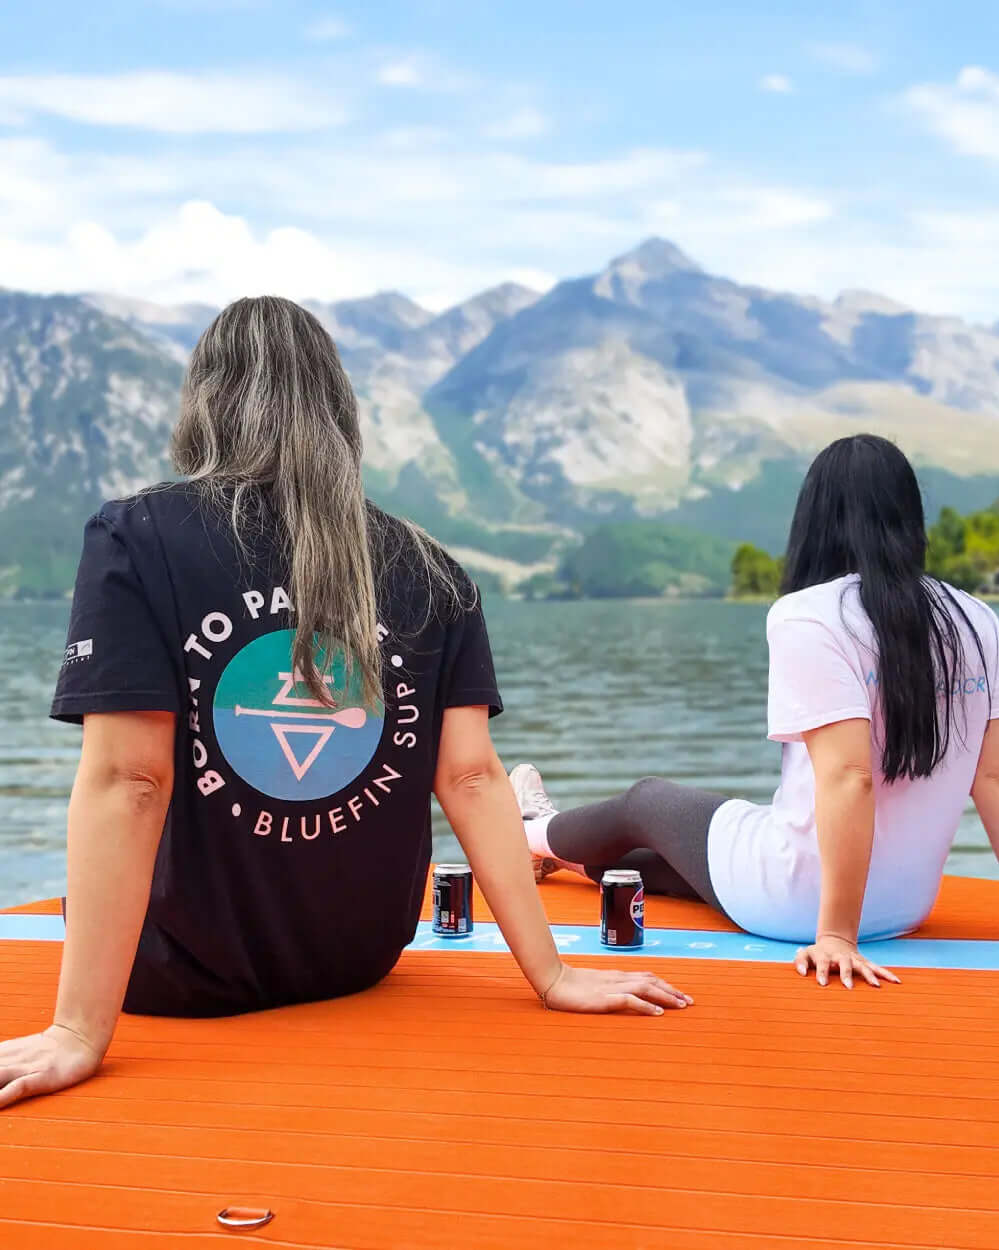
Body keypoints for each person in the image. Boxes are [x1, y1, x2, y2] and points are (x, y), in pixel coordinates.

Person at [0, 297, 689, 1111]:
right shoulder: (432, 567)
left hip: (181, 972)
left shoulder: (137, 537)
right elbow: (471, 779)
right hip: (358, 956)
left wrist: (80, 1031)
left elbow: (131, 782)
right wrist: (552, 974)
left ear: (205, 400)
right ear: (339, 411)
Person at [512, 435, 999, 990]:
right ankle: (551, 851)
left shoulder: (811, 615)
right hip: (906, 907)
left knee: (647, 801)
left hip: (801, 900)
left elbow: (849, 776)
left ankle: (526, 833)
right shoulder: (977, 620)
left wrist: (837, 934)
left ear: (816, 516)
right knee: (656, 867)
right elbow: (993, 778)